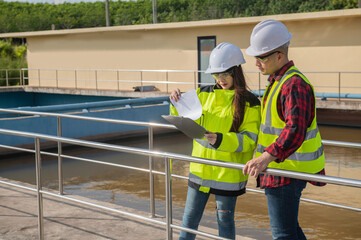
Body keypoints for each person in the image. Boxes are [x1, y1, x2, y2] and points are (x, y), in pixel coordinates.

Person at [243, 19, 326, 240]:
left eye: (261, 58)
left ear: (279, 56)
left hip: (287, 170)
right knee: (289, 231)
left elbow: (295, 129)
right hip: (282, 168)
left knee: (283, 234)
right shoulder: (279, 81)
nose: (256, 63)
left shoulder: (293, 84)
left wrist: (265, 158)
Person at [169, 42, 261, 240]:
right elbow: (186, 119)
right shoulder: (203, 94)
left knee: (225, 223)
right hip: (200, 170)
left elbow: (250, 141)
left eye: (225, 74)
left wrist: (219, 139)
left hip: (228, 175)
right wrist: (176, 104)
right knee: (189, 220)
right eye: (216, 75)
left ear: (236, 71)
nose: (220, 80)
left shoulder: (250, 103)